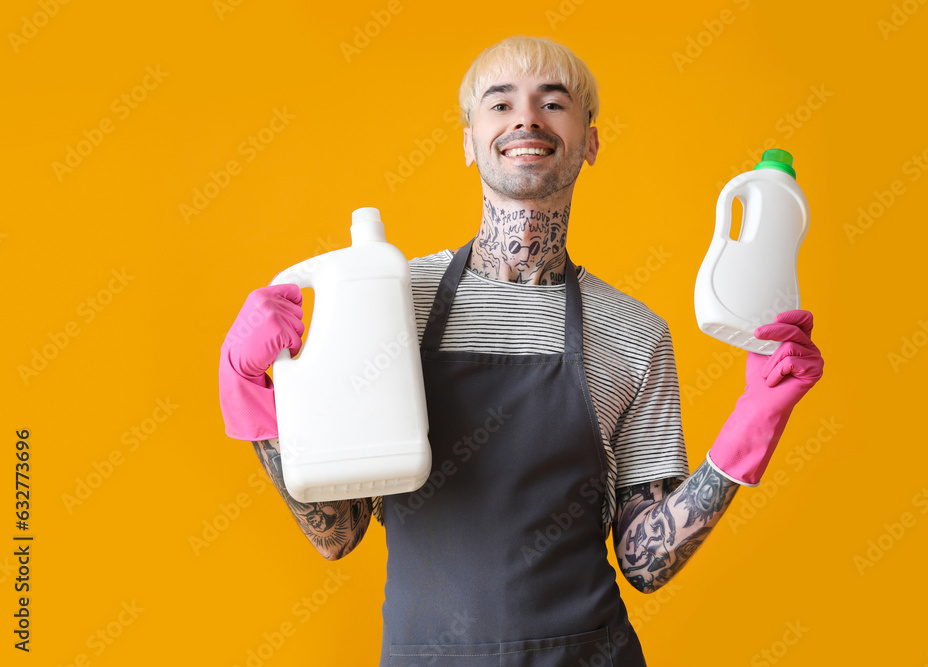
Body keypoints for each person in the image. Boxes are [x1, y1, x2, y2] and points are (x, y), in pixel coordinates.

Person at [218, 35, 824, 666]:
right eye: (500, 104)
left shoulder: (633, 331)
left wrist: (754, 421)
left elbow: (645, 560)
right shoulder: (393, 301)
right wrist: (252, 394)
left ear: (590, 142)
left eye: (553, 103)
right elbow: (339, 532)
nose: (526, 118)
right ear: (468, 140)